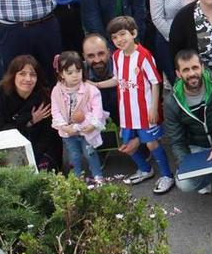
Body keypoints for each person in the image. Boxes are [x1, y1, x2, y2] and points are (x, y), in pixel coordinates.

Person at [93, 16, 174, 193]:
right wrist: (97, 85)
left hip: (145, 111)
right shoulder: (115, 56)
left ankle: (167, 175)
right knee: (127, 144)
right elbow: (117, 79)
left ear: (134, 33)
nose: (119, 40)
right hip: (126, 113)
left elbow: (155, 82)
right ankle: (145, 170)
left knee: (152, 144)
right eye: (114, 37)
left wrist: (153, 107)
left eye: (123, 34)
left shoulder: (144, 56)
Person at [164, 49, 212, 196]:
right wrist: (188, 166)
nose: (192, 73)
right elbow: (177, 141)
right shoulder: (171, 102)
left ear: (202, 67)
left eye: (195, 67)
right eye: (186, 70)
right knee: (184, 184)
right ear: (178, 74)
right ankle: (205, 177)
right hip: (197, 146)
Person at [0, 55, 61, 171]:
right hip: (11, 145)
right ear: (13, 76)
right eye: (22, 74)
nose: (28, 79)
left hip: (40, 147)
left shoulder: (44, 97)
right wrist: (30, 120)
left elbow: (48, 135)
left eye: (33, 75)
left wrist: (32, 157)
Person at [51, 51, 105, 181]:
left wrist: (93, 124)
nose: (75, 75)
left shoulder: (90, 89)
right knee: (73, 154)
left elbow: (98, 109)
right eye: (70, 72)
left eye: (78, 71)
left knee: (90, 152)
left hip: (86, 129)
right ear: (61, 74)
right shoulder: (57, 91)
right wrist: (64, 126)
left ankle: (97, 175)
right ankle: (77, 176)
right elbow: (56, 110)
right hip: (69, 130)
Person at [82, 33, 118, 123]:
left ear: (109, 52)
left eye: (101, 54)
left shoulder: (121, 65)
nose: (97, 60)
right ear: (84, 57)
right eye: (91, 56)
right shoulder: (79, 73)